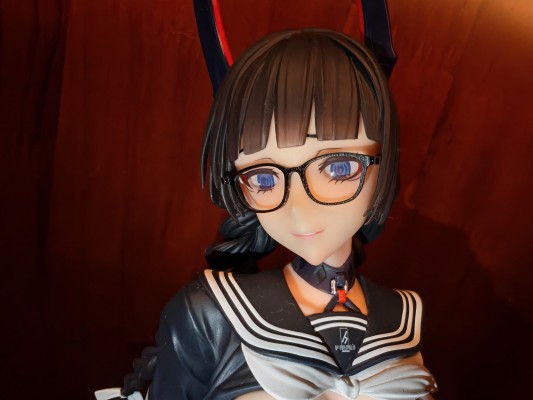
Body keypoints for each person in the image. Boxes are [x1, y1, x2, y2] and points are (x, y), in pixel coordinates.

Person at [97, 28, 437, 400]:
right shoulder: (211, 316)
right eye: (263, 178)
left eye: (338, 168)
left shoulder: (404, 316)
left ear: (386, 162)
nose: (299, 210)